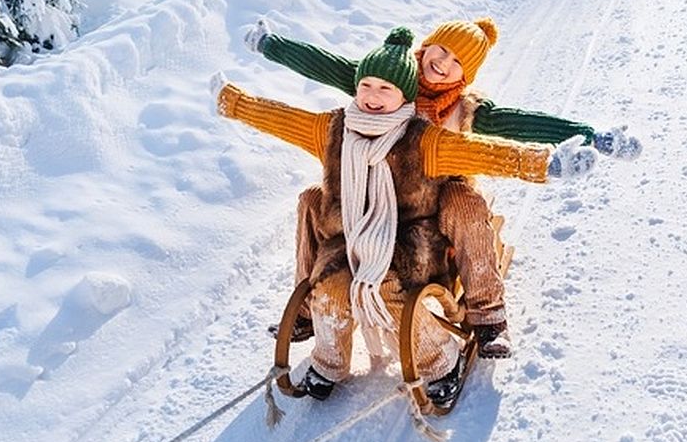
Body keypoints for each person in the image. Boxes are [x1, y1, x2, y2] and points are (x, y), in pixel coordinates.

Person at [214, 27, 598, 408]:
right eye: (366, 86)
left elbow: (491, 147)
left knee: (458, 208)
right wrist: (248, 77)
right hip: (362, 220)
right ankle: (321, 338)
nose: (442, 64)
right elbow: (295, 98)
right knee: (318, 224)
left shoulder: (436, 130)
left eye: (456, 61)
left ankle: (481, 320)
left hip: (423, 217)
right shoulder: (353, 112)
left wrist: (559, 156)